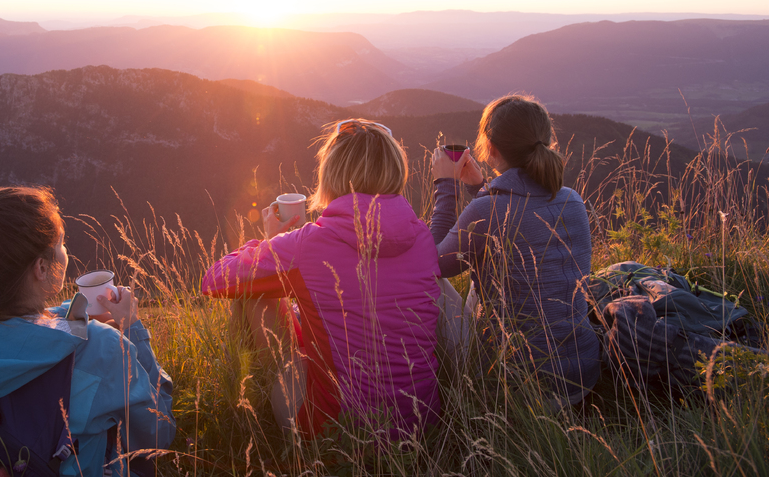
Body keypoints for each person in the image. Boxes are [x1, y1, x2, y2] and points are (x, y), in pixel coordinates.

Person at [0, 187, 175, 477]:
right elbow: (159, 435)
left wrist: (74, 312)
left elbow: (16, 333)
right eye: (61, 244)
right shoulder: (102, 348)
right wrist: (132, 329)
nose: (66, 252)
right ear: (42, 268)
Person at [201, 119, 441, 438]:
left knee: (256, 293)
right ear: (396, 169)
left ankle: (253, 401)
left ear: (331, 173)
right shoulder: (422, 235)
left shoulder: (308, 245)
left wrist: (268, 243)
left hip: (336, 433)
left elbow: (214, 281)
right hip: (423, 426)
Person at [429, 95, 601, 405]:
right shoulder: (572, 200)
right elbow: (514, 220)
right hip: (583, 375)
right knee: (485, 269)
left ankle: (454, 380)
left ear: (490, 148)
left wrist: (446, 185)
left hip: (519, 387)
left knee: (430, 283)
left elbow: (433, 264)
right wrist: (477, 189)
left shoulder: (488, 211)